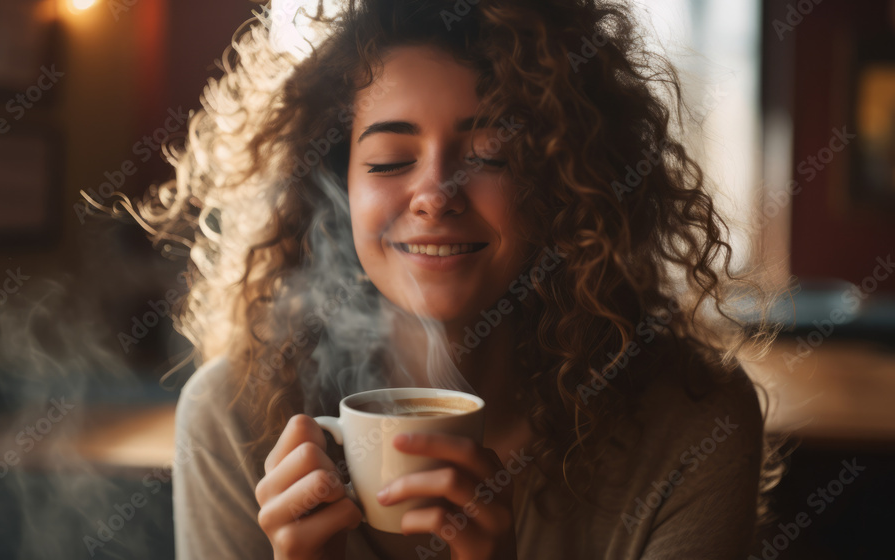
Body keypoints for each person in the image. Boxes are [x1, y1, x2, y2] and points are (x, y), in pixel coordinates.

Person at [130, 0, 785, 558]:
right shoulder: (234, 420)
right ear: (335, 186)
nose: (435, 195)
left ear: (563, 181)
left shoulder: (692, 425)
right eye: (390, 160)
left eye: (491, 155)